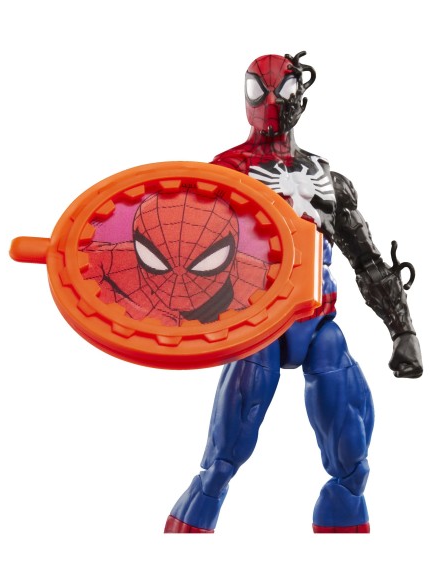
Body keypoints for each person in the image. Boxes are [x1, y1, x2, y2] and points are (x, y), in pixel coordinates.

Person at [164, 52, 423, 533]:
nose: (270, 102)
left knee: (353, 463)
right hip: (256, 321)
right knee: (221, 463)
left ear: (300, 98)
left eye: (282, 92)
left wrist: (402, 330)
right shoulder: (226, 173)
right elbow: (183, 254)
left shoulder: (328, 180)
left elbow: (366, 259)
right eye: (258, 91)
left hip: (317, 321)